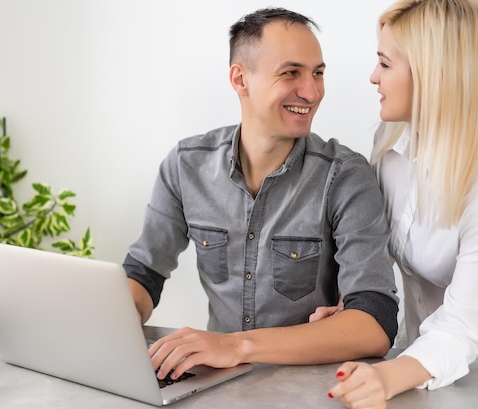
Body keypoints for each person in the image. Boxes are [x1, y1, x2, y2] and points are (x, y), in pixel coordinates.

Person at [123, 7, 399, 382]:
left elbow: (375, 322)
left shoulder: (346, 175)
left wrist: (236, 345)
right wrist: (109, 320)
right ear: (241, 79)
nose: (312, 91)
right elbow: (143, 274)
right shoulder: (185, 165)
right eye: (291, 73)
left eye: (318, 73)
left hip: (313, 391)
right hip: (213, 386)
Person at [327, 0, 478, 409]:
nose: (373, 77)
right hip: (422, 371)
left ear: (432, 74)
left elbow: (462, 329)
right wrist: (352, 308)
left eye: (384, 64)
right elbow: (376, 256)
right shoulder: (391, 151)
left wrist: (386, 378)